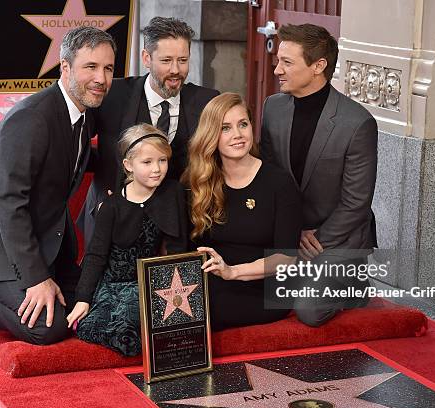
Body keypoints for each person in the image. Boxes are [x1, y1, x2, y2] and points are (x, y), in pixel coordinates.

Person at [0, 26, 117, 346]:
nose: (101, 78)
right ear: (65, 68)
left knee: (90, 306)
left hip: (50, 237)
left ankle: (9, 294)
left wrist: (140, 165)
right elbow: (9, 206)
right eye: (90, 67)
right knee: (48, 329)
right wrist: (37, 279)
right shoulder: (30, 119)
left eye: (108, 68)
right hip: (1, 243)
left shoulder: (85, 110)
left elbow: (74, 156)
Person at [260, 24, 378, 326]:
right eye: (278, 61)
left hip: (337, 238)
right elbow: (271, 179)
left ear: (318, 66)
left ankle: (353, 283)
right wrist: (289, 233)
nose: (277, 70)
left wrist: (317, 240)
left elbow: (356, 203)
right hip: (291, 232)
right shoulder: (273, 108)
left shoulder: (358, 123)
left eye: (287, 62)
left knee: (309, 311)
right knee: (247, 292)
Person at [78, 17, 219, 246]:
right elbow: (75, 139)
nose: (176, 70)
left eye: (182, 60)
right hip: (115, 227)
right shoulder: (111, 96)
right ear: (146, 58)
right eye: (166, 60)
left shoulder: (208, 102)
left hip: (181, 230)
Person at [183, 93, 303, 331]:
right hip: (213, 282)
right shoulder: (198, 181)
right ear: (211, 136)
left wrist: (233, 272)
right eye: (225, 128)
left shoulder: (280, 183)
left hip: (265, 288)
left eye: (243, 124)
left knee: (199, 309)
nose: (237, 135)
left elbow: (285, 258)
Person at [66, 124, 188, 356]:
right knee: (91, 326)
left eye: (163, 160)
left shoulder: (172, 193)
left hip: (150, 284)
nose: (157, 169)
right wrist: (83, 298)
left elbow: (177, 247)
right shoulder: (111, 207)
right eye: (147, 162)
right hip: (112, 284)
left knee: (132, 329)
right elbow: (95, 256)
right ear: (128, 165)